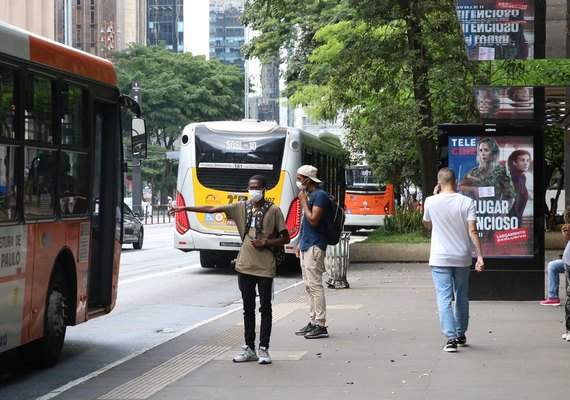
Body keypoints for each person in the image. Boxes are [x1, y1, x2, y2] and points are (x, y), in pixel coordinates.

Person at [170, 175, 290, 364]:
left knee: (265, 309)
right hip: (244, 266)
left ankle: (264, 349)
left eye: (257, 187)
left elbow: (286, 238)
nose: (253, 191)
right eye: (251, 187)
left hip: (265, 267)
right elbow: (210, 208)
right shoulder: (240, 207)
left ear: (264, 189)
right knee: (247, 309)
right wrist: (184, 208)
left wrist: (266, 242)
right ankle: (249, 348)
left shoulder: (274, 211)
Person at [423, 167, 485, 352]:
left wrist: (434, 197)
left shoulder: (430, 201)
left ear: (439, 183)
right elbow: (472, 231)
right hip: (462, 257)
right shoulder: (466, 202)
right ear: (456, 181)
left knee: (443, 298)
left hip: (440, 258)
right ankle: (460, 334)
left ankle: (450, 340)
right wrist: (480, 255)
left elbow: (427, 225)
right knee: (461, 295)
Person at [294, 165, 330, 339]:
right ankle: (313, 321)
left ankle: (321, 324)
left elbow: (314, 220)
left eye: (299, 178)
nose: (298, 181)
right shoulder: (308, 195)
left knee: (315, 286)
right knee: (308, 287)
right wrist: (299, 244)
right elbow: (304, 224)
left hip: (315, 245)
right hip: (306, 245)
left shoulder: (319, 196)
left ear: (308, 179)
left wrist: (302, 201)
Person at [507, 149, 531, 223]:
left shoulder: (522, 177)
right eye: (522, 160)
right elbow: (514, 203)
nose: (526, 163)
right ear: (514, 162)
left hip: (515, 220)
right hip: (512, 221)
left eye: (528, 160)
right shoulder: (516, 178)